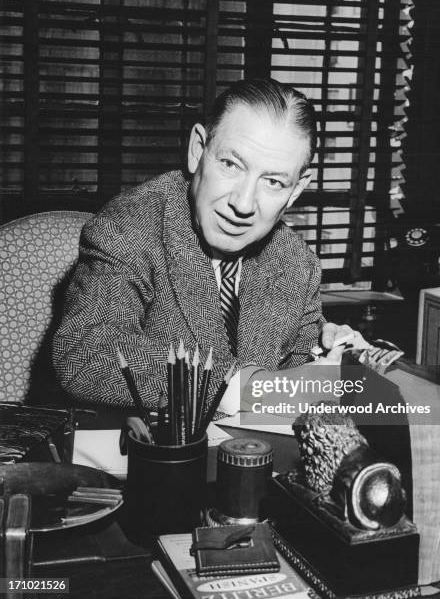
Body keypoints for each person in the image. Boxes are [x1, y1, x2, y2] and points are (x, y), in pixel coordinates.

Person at [52, 78, 352, 410]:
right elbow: (84, 354)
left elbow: (297, 368)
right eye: (231, 164)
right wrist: (240, 388)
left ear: (295, 190)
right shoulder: (129, 226)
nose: (243, 203)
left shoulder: (297, 260)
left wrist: (335, 360)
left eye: (273, 181)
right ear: (198, 150)